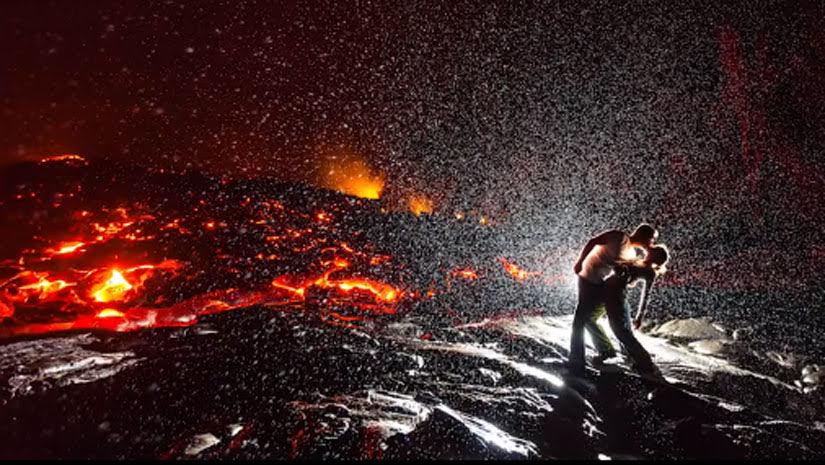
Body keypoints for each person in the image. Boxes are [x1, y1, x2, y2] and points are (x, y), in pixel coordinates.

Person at [567, 224, 658, 376]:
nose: (652, 244)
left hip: (602, 285)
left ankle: (608, 351)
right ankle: (577, 360)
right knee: (580, 321)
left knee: (590, 319)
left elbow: (621, 272)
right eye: (652, 240)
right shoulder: (619, 236)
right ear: (644, 236)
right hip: (587, 278)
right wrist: (580, 261)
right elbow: (593, 241)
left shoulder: (631, 254)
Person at [587, 245, 670, 375]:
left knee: (620, 331)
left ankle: (644, 361)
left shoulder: (649, 271)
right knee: (591, 320)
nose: (649, 249)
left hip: (614, 295)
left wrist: (640, 316)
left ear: (656, 257)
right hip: (608, 292)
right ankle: (611, 351)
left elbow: (645, 296)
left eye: (653, 250)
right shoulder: (637, 260)